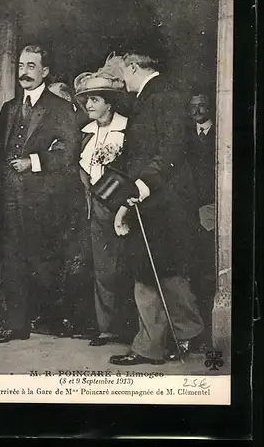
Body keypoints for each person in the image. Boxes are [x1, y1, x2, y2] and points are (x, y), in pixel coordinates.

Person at [106, 52, 204, 365]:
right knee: (151, 272)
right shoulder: (152, 96)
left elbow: (170, 151)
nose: (121, 80)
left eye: (122, 72)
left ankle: (180, 338)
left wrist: (141, 187)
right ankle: (160, 343)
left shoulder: (164, 95)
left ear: (134, 67)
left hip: (164, 202)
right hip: (153, 199)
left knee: (162, 272)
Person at [0, 44, 83, 343]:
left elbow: (69, 152)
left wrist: (34, 162)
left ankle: (53, 318)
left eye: (31, 66)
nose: (24, 72)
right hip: (10, 196)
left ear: (45, 71)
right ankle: (16, 325)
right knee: (12, 258)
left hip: (45, 198)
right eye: (21, 66)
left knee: (44, 260)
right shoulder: (9, 107)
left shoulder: (61, 108)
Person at [74, 71, 134, 346]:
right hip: (96, 207)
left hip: (124, 207)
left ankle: (133, 328)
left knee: (128, 267)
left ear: (109, 103)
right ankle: (106, 328)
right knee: (103, 268)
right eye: (86, 100)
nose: (88, 105)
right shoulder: (85, 134)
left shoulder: (128, 129)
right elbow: (81, 168)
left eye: (94, 100)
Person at [185, 92, 216, 349]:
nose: (198, 110)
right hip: (188, 208)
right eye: (193, 107)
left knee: (208, 270)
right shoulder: (185, 135)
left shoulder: (220, 136)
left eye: (202, 105)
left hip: (211, 208)